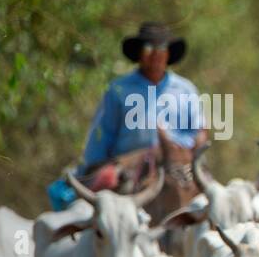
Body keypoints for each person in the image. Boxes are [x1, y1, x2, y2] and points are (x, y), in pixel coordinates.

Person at [74, 22, 207, 195]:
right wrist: (91, 170)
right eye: (149, 48)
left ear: (168, 53)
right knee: (101, 191)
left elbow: (199, 131)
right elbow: (102, 134)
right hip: (131, 165)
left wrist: (194, 147)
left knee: (210, 201)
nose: (155, 54)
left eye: (161, 48)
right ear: (139, 53)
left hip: (179, 164)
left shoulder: (185, 89)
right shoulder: (118, 90)